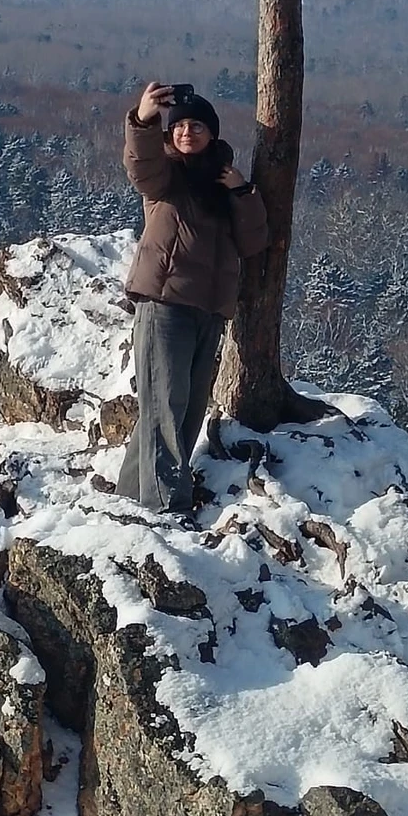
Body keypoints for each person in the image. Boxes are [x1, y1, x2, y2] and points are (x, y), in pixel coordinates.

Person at [116, 80, 268, 516]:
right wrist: (144, 118)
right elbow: (139, 164)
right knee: (166, 404)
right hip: (164, 304)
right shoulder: (166, 176)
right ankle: (167, 508)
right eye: (180, 125)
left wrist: (240, 190)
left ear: (213, 134)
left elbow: (254, 241)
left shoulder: (223, 183)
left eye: (197, 126)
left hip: (210, 311)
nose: (187, 133)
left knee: (187, 410)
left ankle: (130, 503)